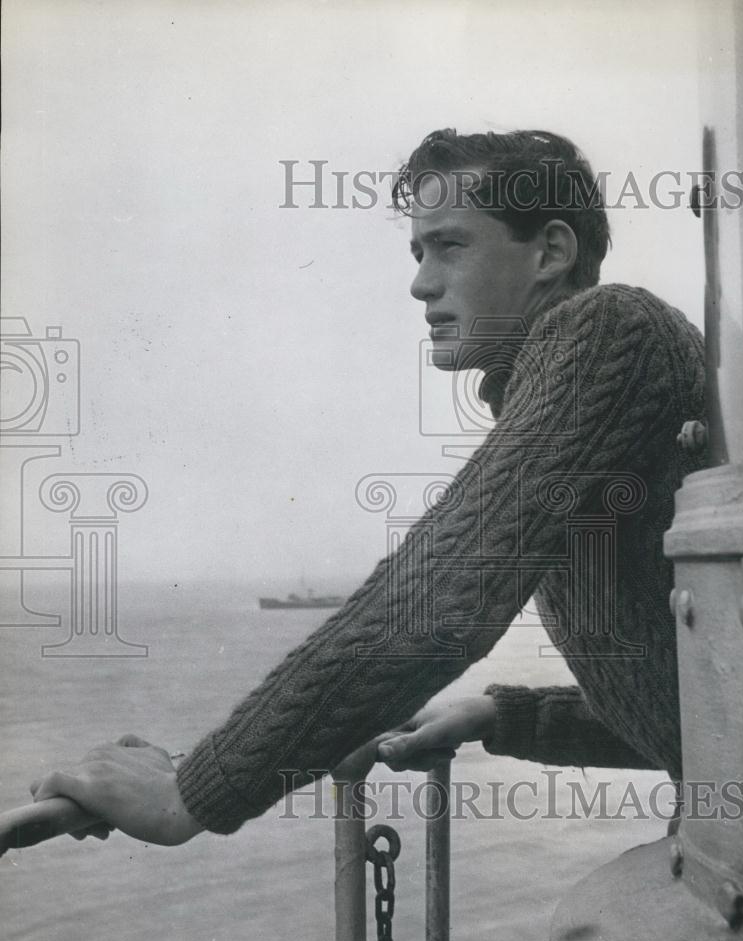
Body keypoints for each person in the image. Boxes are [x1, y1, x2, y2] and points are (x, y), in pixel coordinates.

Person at [30, 128, 705, 846]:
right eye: (418, 252)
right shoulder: (596, 374)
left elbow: (445, 591)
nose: (420, 282)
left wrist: (192, 794)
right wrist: (505, 717)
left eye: (450, 245)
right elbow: (698, 710)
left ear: (551, 252)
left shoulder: (609, 332)